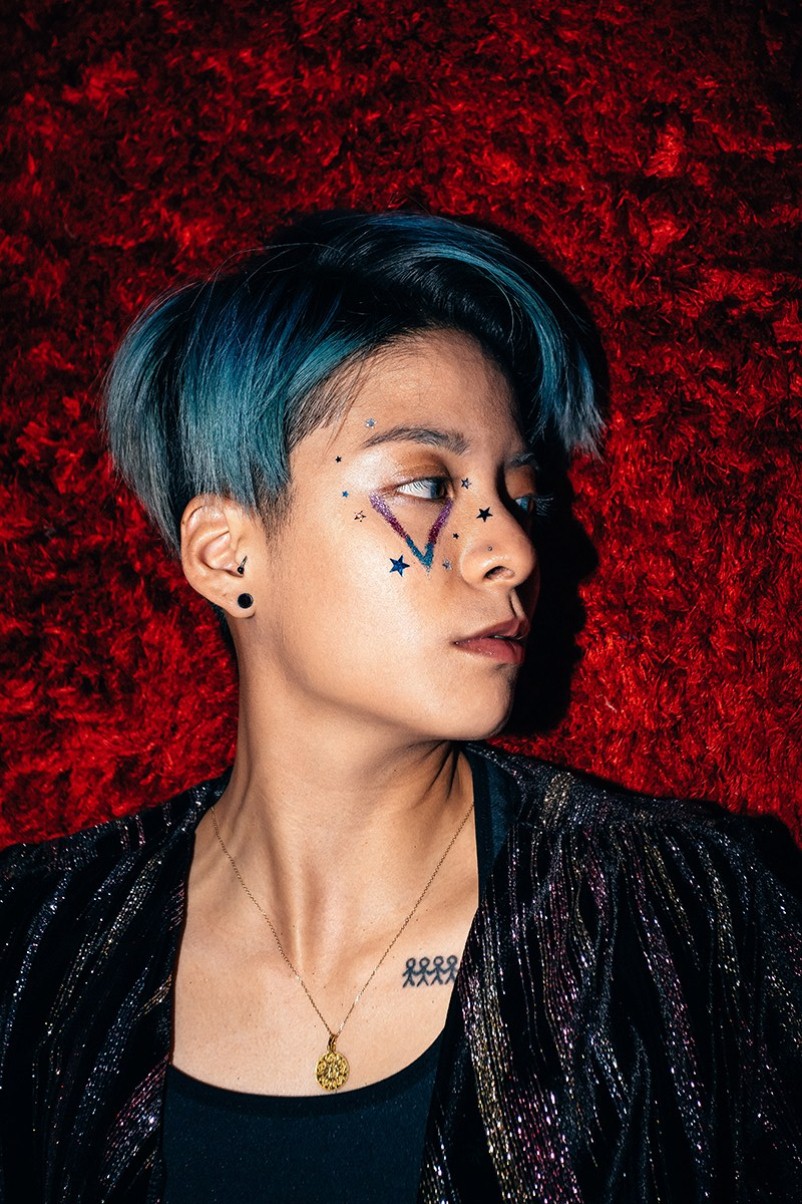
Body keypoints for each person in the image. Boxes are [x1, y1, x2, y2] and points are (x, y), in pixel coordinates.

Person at [1, 210, 800, 1204]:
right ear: (226, 553)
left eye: (521, 495)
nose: (512, 549)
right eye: (427, 483)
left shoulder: (686, 918)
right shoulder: (34, 956)